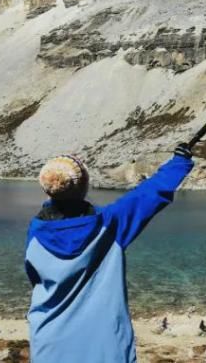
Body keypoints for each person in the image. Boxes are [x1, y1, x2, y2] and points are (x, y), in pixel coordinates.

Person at [24, 144, 195, 362]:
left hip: (49, 344)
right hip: (106, 345)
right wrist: (179, 162)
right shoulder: (111, 224)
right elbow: (150, 194)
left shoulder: (36, 231)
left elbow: (34, 277)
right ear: (84, 186)